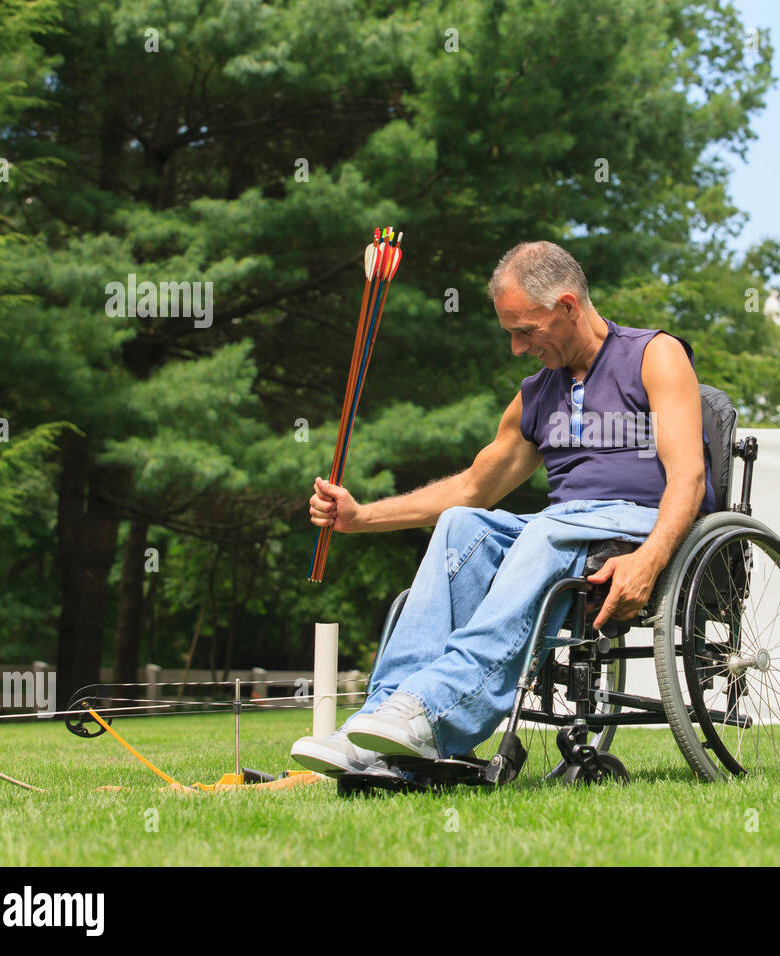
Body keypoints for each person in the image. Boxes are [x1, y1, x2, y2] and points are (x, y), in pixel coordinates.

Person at [290, 240, 714, 774]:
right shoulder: (537, 394)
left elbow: (689, 478)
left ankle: (431, 709)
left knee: (548, 529)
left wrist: (649, 560)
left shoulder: (653, 355)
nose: (516, 347)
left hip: (639, 523)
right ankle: (381, 721)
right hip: (562, 528)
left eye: (524, 331)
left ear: (567, 306)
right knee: (460, 524)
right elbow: (470, 489)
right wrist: (360, 516)